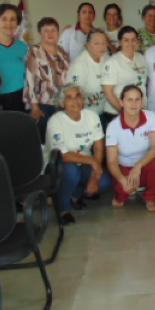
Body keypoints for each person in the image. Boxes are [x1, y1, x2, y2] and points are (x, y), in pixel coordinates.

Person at [44, 85, 111, 225]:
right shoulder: (55, 121)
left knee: (104, 181)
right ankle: (62, 209)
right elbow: (63, 155)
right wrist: (92, 161)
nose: (75, 101)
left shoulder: (91, 116)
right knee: (71, 171)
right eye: (69, 98)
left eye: (78, 96)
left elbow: (99, 147)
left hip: (85, 163)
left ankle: (75, 195)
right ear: (62, 103)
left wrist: (94, 176)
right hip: (58, 164)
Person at [105, 85, 155, 211]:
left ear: (142, 101)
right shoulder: (113, 126)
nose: (134, 104)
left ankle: (150, 197)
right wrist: (123, 180)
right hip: (125, 167)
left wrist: (138, 166)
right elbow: (111, 161)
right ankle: (121, 193)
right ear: (121, 102)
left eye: (137, 99)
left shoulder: (151, 117)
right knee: (123, 190)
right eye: (129, 100)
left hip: (144, 165)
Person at [24, 17, 71, 142]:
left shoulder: (62, 52)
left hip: (64, 105)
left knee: (63, 140)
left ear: (58, 32)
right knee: (48, 142)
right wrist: (35, 108)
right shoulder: (35, 52)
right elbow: (30, 81)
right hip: (45, 106)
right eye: (46, 31)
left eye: (53, 30)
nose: (50, 34)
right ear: (40, 33)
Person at [0, 3, 28, 112]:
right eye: (4, 19)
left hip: (18, 97)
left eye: (13, 19)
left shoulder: (22, 46)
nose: (9, 23)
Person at [102, 26, 147, 119]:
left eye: (133, 40)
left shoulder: (141, 58)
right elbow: (108, 92)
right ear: (120, 42)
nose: (130, 43)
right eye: (126, 40)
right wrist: (123, 112)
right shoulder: (112, 63)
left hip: (138, 112)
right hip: (117, 113)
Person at [69, 29, 110, 120]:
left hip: (103, 113)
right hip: (84, 116)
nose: (101, 47)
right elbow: (72, 92)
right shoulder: (80, 64)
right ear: (88, 46)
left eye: (104, 43)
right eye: (97, 43)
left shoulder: (106, 58)